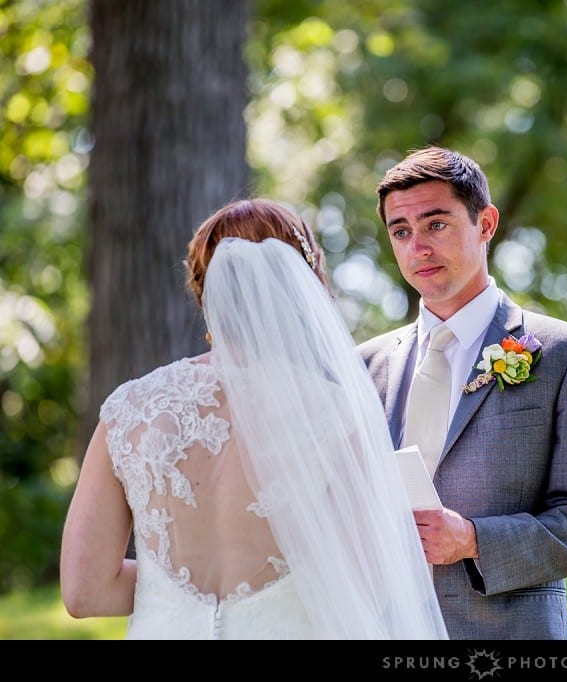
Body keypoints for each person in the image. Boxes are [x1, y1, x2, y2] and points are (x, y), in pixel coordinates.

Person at [60, 198, 448, 640]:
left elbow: (83, 592)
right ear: (304, 283)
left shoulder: (128, 410)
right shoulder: (335, 411)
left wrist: (170, 594)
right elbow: (369, 589)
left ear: (203, 287)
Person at [357, 145, 567, 639]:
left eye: (436, 224)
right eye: (401, 231)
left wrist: (473, 539)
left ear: (486, 223)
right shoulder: (362, 365)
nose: (418, 247)